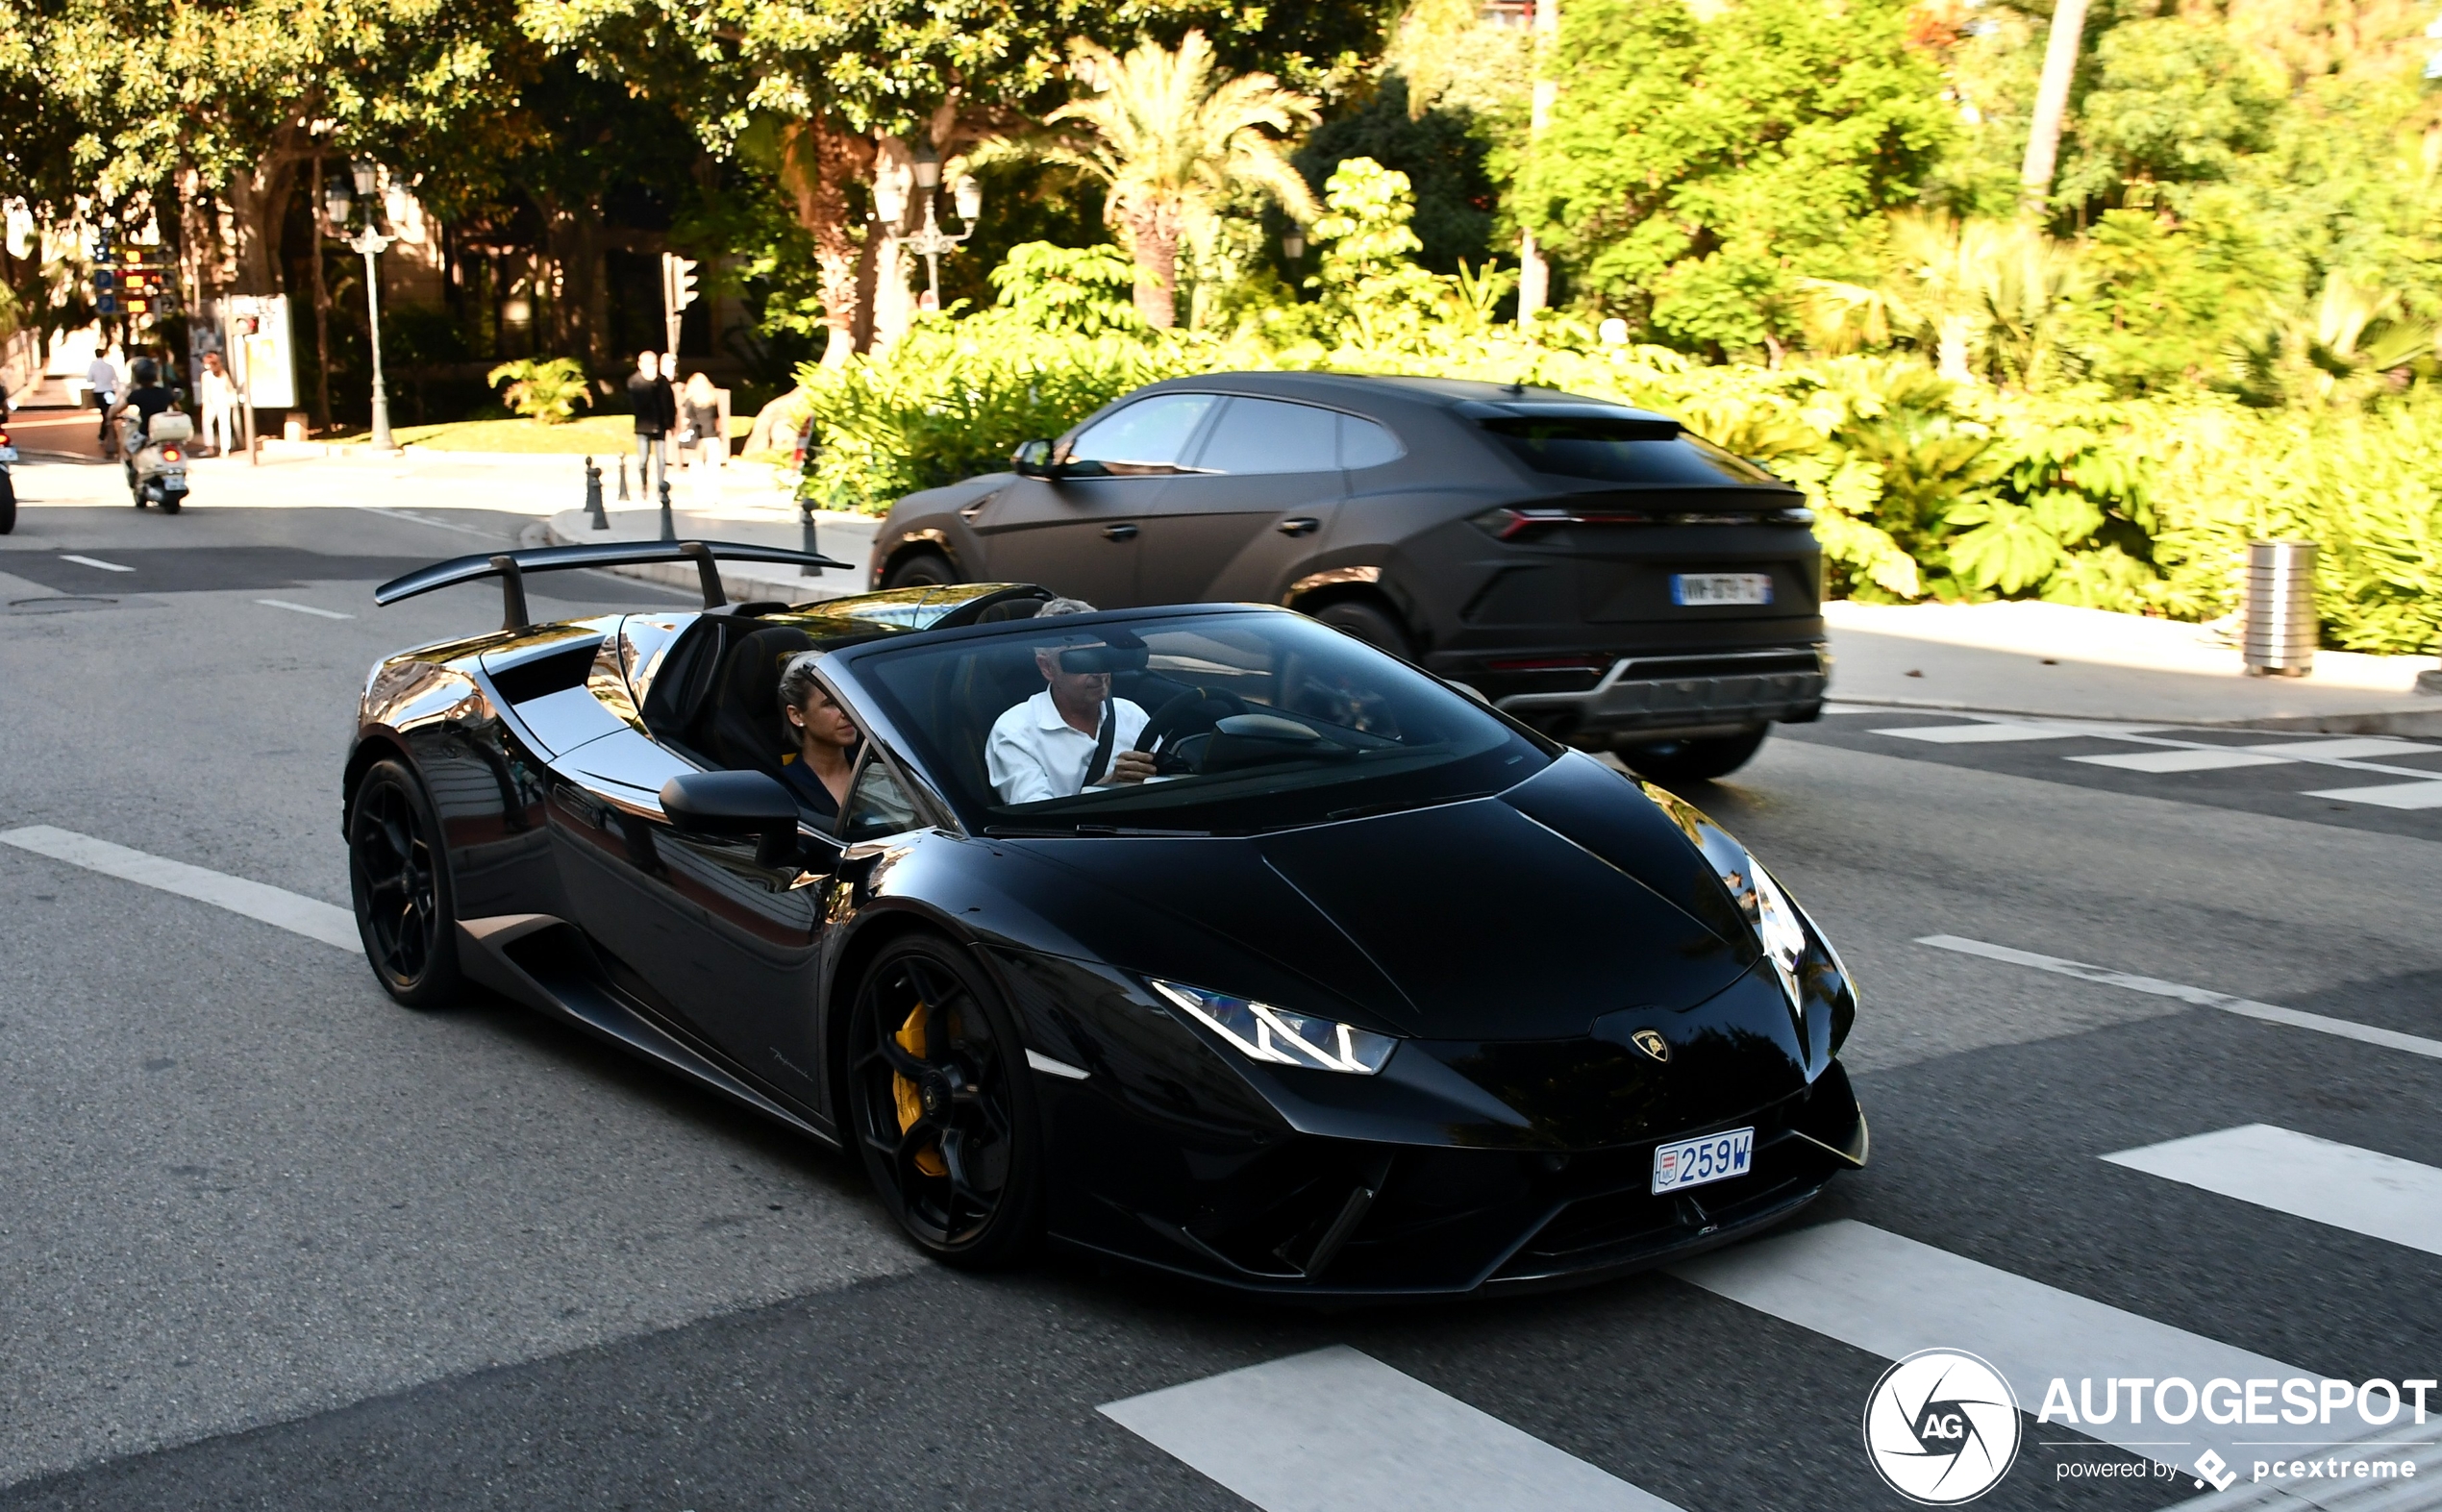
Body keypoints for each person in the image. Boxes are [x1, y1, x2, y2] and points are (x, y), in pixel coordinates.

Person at [985, 601, 1158, 805]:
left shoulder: (1132, 716)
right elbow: (1039, 821)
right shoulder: (1015, 733)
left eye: (1104, 657)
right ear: (1047, 667)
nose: (1100, 672)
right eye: (1083, 660)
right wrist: (1109, 786)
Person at [776, 652, 861, 820]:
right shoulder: (783, 790)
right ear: (797, 715)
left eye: (848, 699)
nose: (847, 712)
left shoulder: (882, 773)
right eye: (830, 703)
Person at [625, 350, 674, 492]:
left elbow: (669, 402)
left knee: (661, 459)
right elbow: (638, 404)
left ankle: (661, 487)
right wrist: (651, 385)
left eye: (654, 363)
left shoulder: (662, 381)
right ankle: (643, 486)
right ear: (640, 365)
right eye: (648, 364)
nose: (652, 367)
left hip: (660, 424)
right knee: (643, 460)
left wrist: (671, 422)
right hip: (643, 425)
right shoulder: (635, 382)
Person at [106, 357, 177, 448]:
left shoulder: (136, 395)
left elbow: (119, 408)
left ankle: (130, 462)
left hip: (145, 432)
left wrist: (111, 415)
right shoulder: (166, 392)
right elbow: (178, 409)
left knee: (127, 447)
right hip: (165, 432)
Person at [197, 352, 237, 457]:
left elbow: (205, 391)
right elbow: (230, 388)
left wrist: (205, 404)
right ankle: (225, 450)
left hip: (211, 403)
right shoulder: (223, 373)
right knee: (224, 425)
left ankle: (209, 447)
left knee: (207, 424)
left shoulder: (206, 375)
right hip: (224, 401)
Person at [87, 349, 121, 453]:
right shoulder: (109, 367)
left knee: (104, 413)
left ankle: (103, 435)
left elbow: (89, 378)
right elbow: (116, 379)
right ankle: (109, 432)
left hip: (99, 392)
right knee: (109, 412)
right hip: (109, 391)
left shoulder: (93, 366)